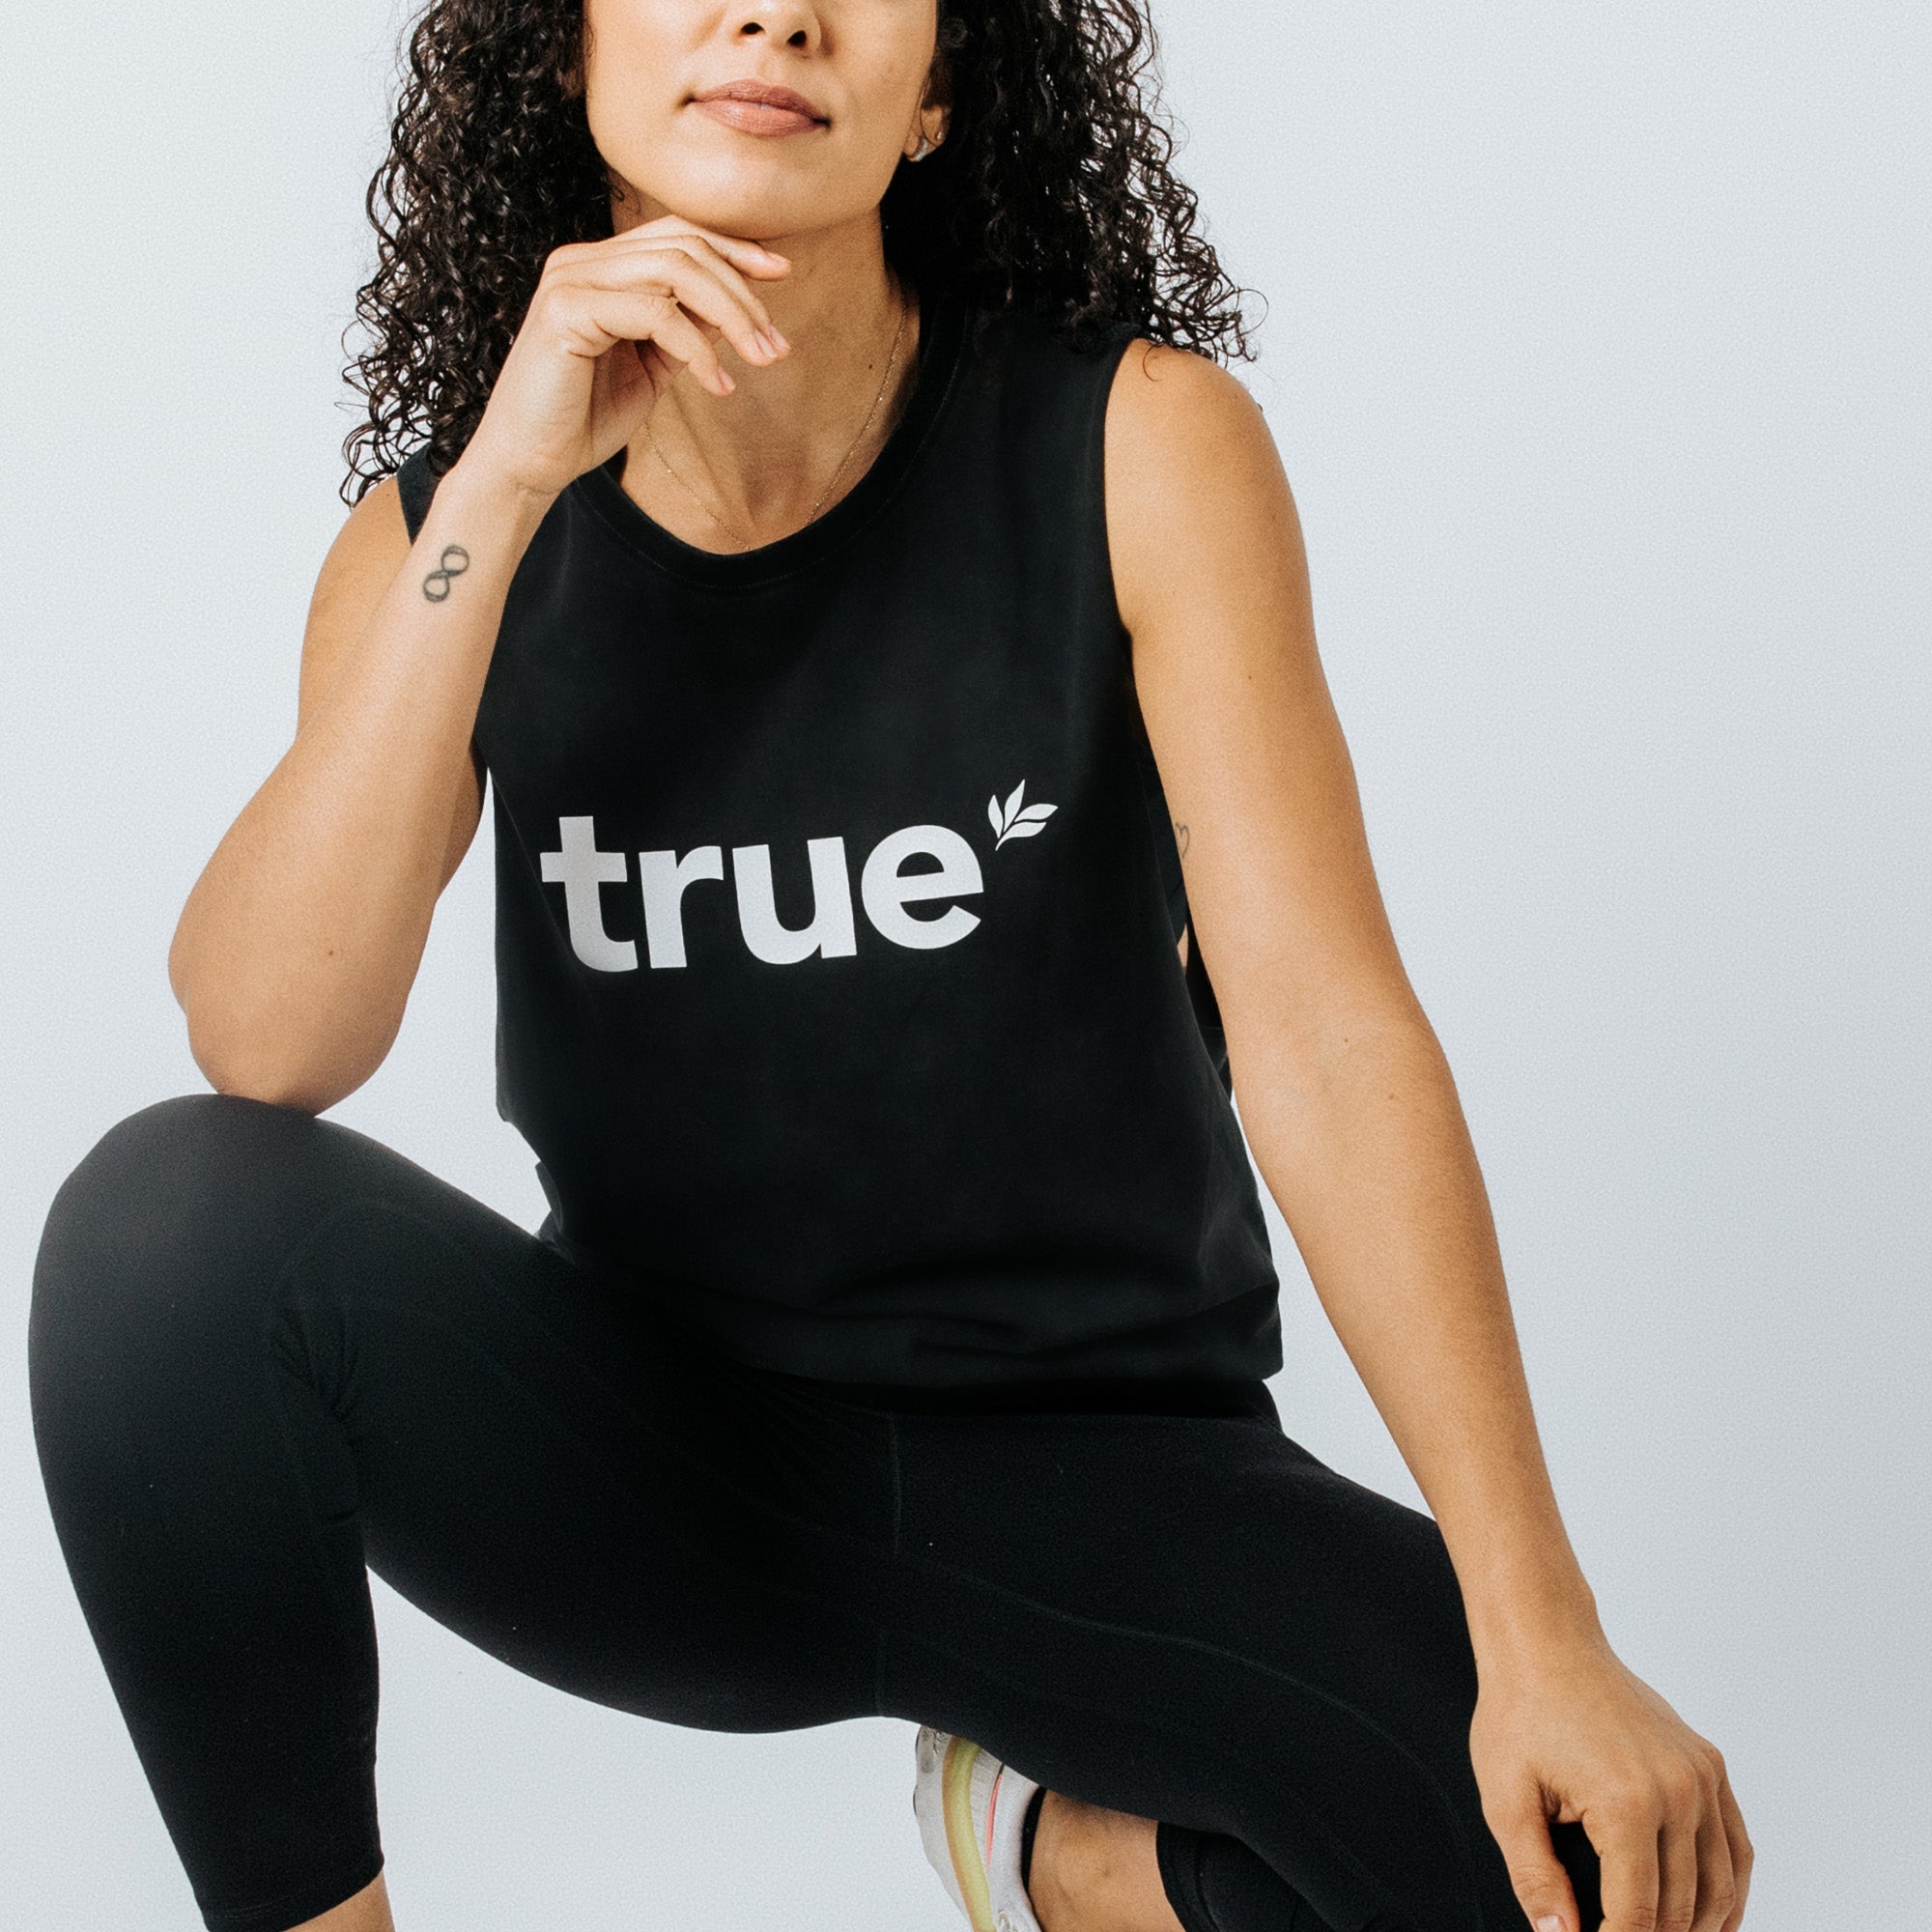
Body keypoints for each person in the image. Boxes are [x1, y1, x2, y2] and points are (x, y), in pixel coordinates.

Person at [27, 2, 1754, 1930]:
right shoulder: (446, 538)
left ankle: (1038, 1839)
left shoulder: (1137, 443)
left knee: (1575, 1870)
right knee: (161, 1231)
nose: (772, 8)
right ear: (566, 50)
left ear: (940, 88)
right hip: (684, 1473)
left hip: (1108, 1467)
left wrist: (1543, 1628)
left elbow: (1329, 1035)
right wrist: (500, 487)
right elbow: (263, 1034)